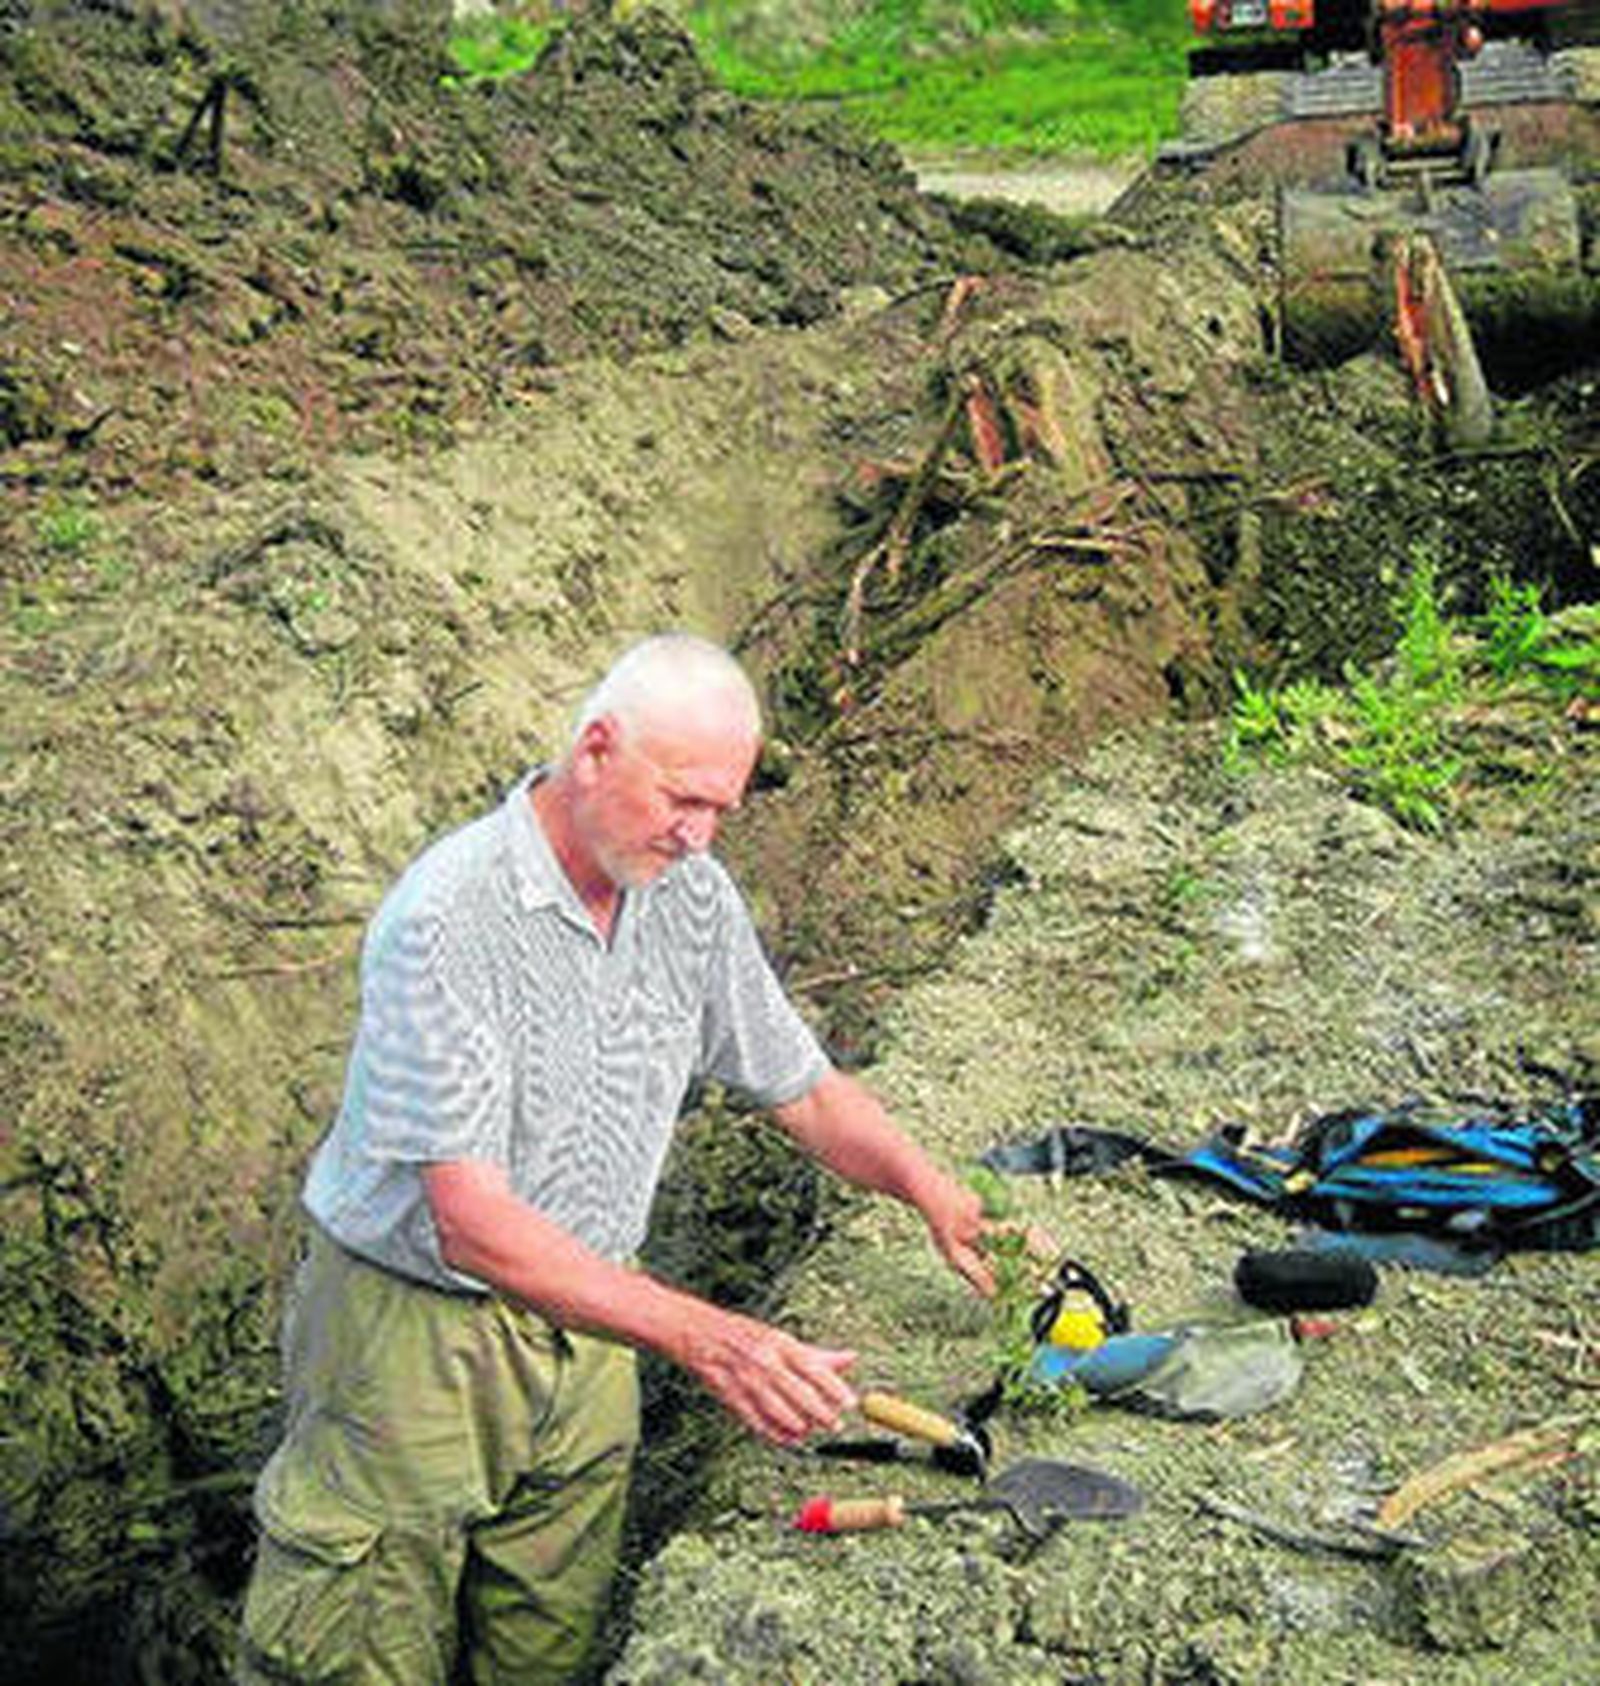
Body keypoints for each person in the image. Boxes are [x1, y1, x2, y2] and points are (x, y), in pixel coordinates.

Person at [237, 632, 998, 1684]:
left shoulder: (691, 899)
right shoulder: (448, 918)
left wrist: (927, 1186)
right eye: (682, 801)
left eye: (722, 811)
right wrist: (711, 1341)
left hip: (594, 1333)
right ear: (595, 750)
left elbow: (806, 1090)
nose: (700, 836)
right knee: (356, 1644)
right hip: (410, 1343)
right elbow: (470, 1223)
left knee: (548, 1645)